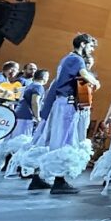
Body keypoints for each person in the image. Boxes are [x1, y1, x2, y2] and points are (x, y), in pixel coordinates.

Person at [31, 33, 100, 194]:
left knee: (56, 139)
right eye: (90, 46)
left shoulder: (66, 58)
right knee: (64, 141)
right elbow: (84, 75)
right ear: (82, 44)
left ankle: (39, 177)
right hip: (67, 103)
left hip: (61, 102)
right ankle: (59, 181)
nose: (91, 50)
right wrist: (95, 82)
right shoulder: (77, 59)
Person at [1, 68, 49, 171]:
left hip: (18, 115)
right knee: (23, 141)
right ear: (44, 77)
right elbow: (35, 102)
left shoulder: (29, 86)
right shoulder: (38, 87)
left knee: (13, 141)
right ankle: (18, 166)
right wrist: (37, 116)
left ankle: (7, 165)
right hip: (26, 117)